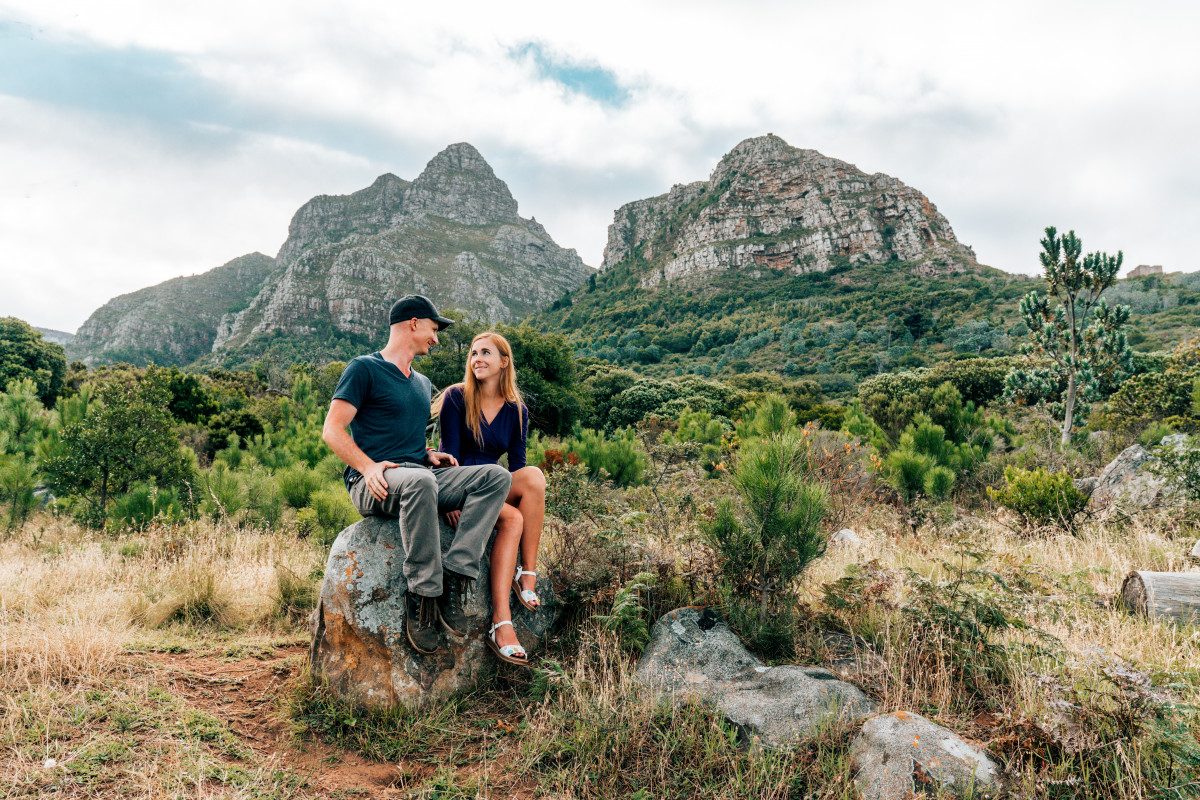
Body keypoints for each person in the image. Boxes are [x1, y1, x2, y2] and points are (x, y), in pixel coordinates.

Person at [321, 295, 514, 656]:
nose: (436, 338)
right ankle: (423, 596)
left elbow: (406, 439)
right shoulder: (364, 368)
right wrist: (367, 466)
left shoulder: (423, 384)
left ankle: (458, 572)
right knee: (421, 481)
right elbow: (332, 430)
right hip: (375, 481)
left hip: (418, 473)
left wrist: (427, 454)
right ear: (413, 323)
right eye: (433, 328)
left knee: (496, 477)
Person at [434, 331, 546, 666]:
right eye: (473, 353)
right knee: (513, 516)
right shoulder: (456, 397)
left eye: (485, 353)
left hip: (494, 486)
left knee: (533, 480)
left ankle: (525, 575)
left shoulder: (517, 411)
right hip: (460, 484)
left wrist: (510, 497)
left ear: (504, 362)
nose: (477, 359)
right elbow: (448, 455)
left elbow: (519, 468)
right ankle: (503, 620)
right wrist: (452, 501)